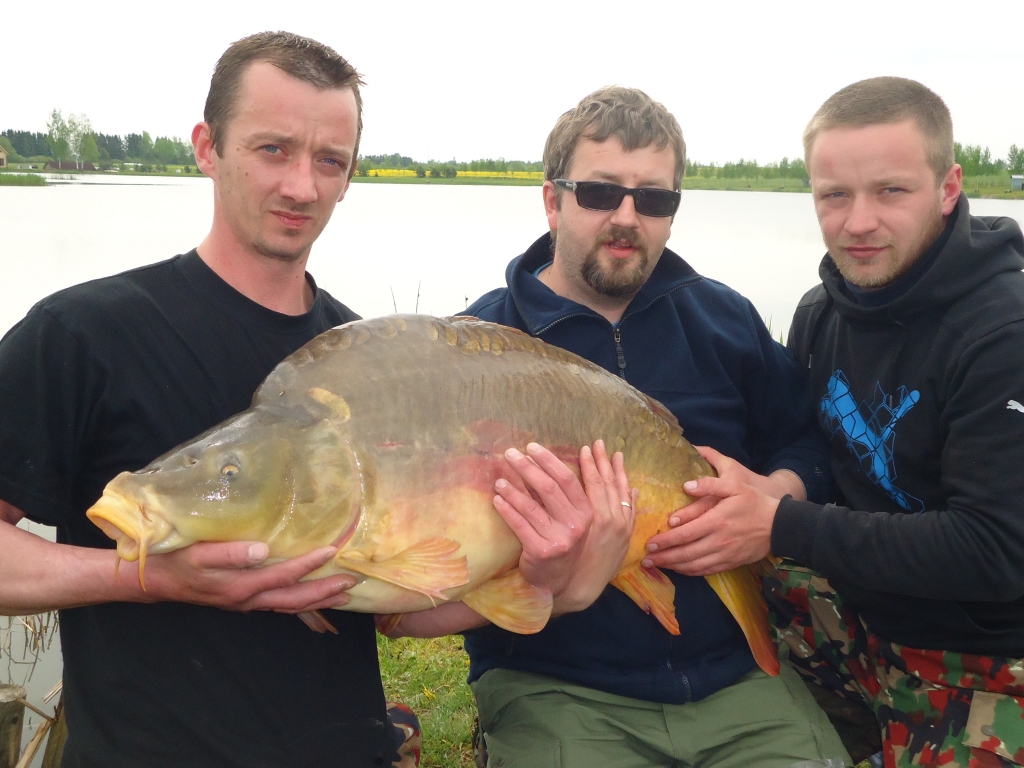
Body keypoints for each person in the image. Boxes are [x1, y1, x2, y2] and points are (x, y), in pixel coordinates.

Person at [0, 32, 604, 768]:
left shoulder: (366, 361)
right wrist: (147, 578)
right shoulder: (82, 335)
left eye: (329, 161)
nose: (301, 187)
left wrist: (546, 580)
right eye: (273, 149)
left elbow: (405, 612)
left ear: (349, 175)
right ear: (206, 146)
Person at [427, 85, 848, 768]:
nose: (627, 216)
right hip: (557, 686)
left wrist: (775, 496)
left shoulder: (724, 322)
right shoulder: (475, 349)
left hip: (735, 680)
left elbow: (807, 440)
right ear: (551, 199)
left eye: (654, 199)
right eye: (599, 193)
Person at [648, 76, 1024, 768]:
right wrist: (767, 489)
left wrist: (779, 522)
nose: (858, 222)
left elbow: (996, 550)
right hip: (858, 619)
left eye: (891, 191)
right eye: (834, 196)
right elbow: (813, 456)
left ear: (948, 188)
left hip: (985, 650)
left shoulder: (1003, 331)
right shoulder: (821, 314)